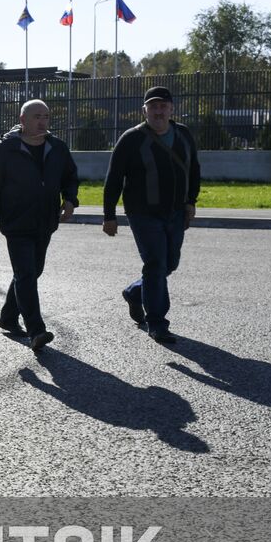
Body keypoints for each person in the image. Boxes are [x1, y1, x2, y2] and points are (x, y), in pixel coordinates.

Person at [0, 99, 78, 351]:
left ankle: (8, 317)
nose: (42, 121)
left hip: (45, 221)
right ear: (23, 120)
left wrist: (71, 199)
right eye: (36, 117)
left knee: (32, 272)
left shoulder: (57, 148)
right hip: (16, 223)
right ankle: (36, 331)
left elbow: (70, 176)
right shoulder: (6, 150)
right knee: (26, 274)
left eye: (46, 116)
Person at [102, 85, 201, 346]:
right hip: (143, 213)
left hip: (176, 211)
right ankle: (157, 322)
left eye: (163, 106)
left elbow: (194, 170)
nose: (158, 111)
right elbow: (113, 179)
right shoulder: (131, 139)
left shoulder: (183, 134)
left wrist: (191, 201)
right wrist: (109, 215)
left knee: (170, 263)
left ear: (172, 109)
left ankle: (136, 293)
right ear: (144, 110)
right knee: (156, 263)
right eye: (153, 106)